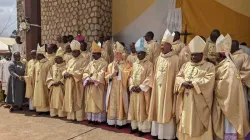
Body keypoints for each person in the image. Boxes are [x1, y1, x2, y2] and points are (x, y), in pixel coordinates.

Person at [175, 36, 215, 140]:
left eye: (195, 55)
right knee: (185, 118)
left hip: (199, 101)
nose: (192, 57)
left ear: (202, 55)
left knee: (196, 121)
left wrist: (194, 84)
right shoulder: (186, 65)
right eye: (192, 55)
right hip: (186, 99)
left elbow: (209, 81)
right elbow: (178, 76)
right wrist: (183, 82)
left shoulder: (209, 66)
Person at [213, 34, 250, 140]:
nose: (215, 56)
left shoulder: (228, 66)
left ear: (221, 54)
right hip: (227, 97)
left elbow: (224, 86)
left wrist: (212, 85)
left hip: (228, 101)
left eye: (217, 54)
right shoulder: (224, 63)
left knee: (228, 122)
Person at [148, 29, 179, 140]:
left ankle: (167, 135)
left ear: (170, 46)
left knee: (167, 109)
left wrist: (174, 89)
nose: (161, 47)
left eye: (164, 45)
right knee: (157, 107)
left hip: (168, 91)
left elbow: (177, 76)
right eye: (161, 45)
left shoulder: (175, 59)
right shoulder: (158, 59)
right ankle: (157, 133)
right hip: (158, 89)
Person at [128, 37, 153, 137]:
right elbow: (130, 76)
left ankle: (143, 129)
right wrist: (132, 86)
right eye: (138, 53)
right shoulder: (134, 64)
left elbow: (150, 77)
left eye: (142, 53)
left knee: (142, 109)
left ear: (145, 53)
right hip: (134, 91)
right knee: (134, 109)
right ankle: (134, 127)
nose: (139, 55)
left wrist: (141, 87)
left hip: (143, 92)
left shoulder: (149, 64)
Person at [105, 41, 131, 128]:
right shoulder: (110, 65)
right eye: (115, 54)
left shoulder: (126, 64)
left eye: (118, 54)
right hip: (112, 88)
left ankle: (120, 122)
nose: (116, 55)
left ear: (122, 54)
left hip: (121, 88)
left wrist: (119, 72)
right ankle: (112, 121)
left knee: (121, 103)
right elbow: (106, 76)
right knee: (112, 103)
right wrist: (111, 76)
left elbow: (128, 74)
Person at [83, 41, 108, 124]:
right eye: (93, 54)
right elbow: (85, 72)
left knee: (98, 102)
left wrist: (92, 80)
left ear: (100, 54)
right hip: (90, 85)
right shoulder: (90, 63)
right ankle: (91, 118)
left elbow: (102, 73)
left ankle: (98, 119)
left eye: (95, 54)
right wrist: (87, 79)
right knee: (90, 101)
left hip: (98, 86)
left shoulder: (104, 63)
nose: (93, 55)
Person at [63, 40, 87, 121]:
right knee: (70, 99)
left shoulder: (83, 60)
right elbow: (65, 69)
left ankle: (79, 117)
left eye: (75, 52)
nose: (73, 53)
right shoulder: (70, 60)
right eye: (73, 52)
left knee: (78, 99)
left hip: (77, 83)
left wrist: (72, 74)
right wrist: (65, 73)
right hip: (69, 83)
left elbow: (83, 70)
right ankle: (71, 116)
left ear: (79, 51)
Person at [46, 47, 66, 117]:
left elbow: (65, 77)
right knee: (53, 100)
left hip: (61, 86)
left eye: (57, 58)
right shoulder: (53, 67)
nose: (55, 59)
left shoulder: (65, 67)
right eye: (55, 58)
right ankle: (54, 113)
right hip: (54, 86)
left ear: (61, 59)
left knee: (60, 100)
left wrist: (60, 82)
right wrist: (52, 82)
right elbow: (49, 75)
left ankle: (61, 114)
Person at [33, 45, 52, 115]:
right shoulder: (36, 64)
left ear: (42, 55)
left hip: (44, 83)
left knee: (45, 95)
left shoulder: (48, 63)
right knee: (38, 95)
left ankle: (46, 110)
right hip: (37, 83)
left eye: (37, 55)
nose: (36, 57)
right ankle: (39, 109)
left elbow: (50, 74)